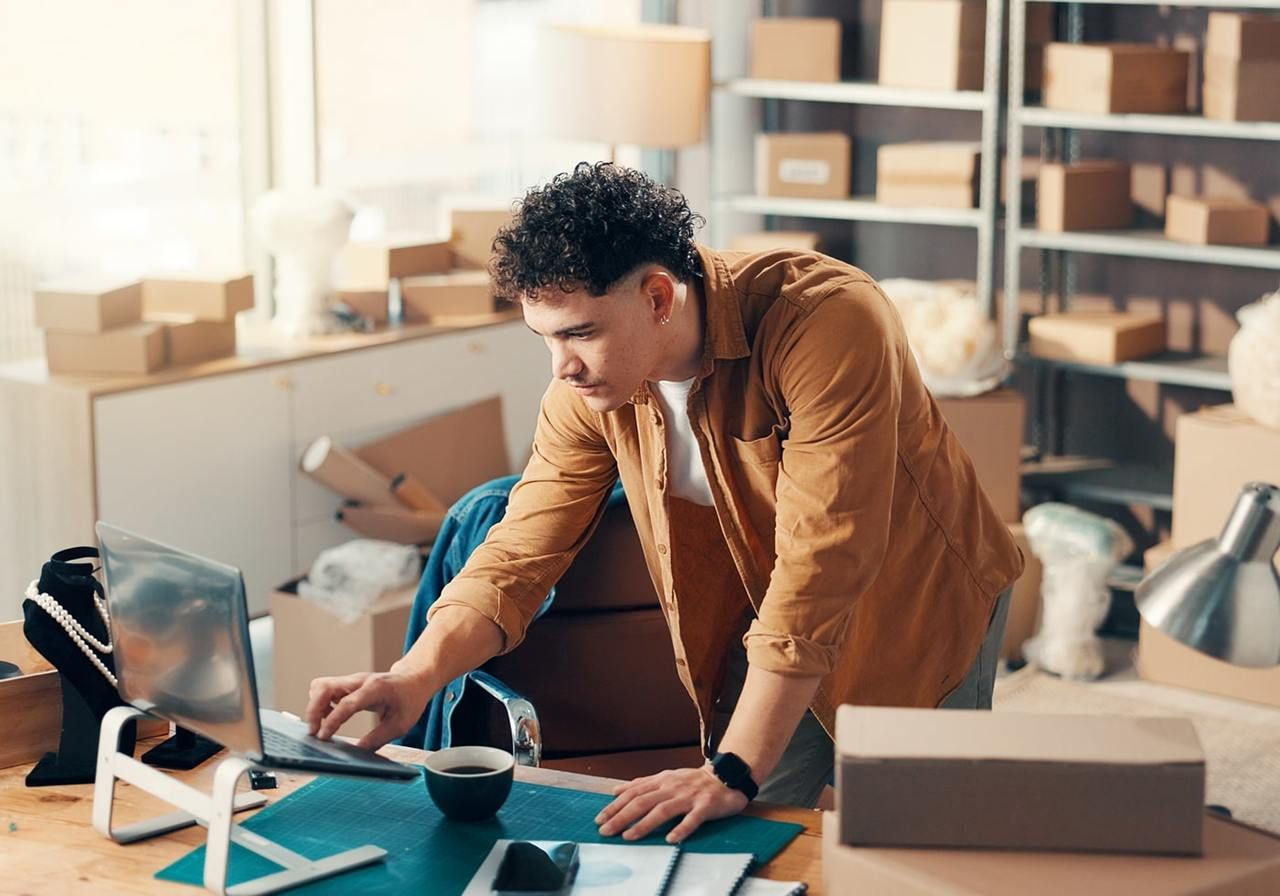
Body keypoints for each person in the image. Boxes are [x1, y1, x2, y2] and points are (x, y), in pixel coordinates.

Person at [306, 161, 1024, 844]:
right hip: (766, 608)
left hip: (918, 602)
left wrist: (734, 769)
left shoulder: (826, 321)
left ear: (656, 297)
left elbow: (824, 562)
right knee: (751, 839)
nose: (562, 367)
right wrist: (416, 675)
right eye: (545, 339)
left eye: (579, 333)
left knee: (914, 843)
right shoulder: (587, 393)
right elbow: (519, 553)